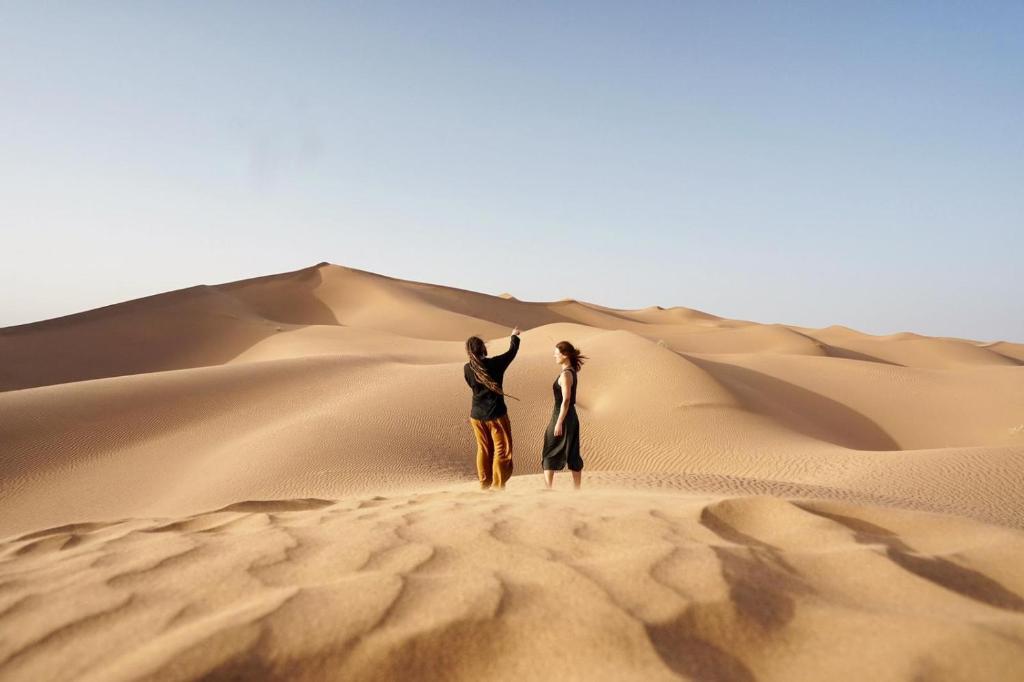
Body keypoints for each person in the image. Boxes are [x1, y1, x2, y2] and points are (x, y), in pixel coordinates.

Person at [464, 327, 521, 490]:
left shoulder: (467, 369)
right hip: (496, 415)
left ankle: (484, 483)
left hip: (476, 416)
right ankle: (497, 485)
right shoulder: (495, 364)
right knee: (500, 450)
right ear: (483, 349)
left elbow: (471, 385)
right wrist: (514, 337)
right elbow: (511, 353)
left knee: (483, 449)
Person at [542, 341, 586, 489]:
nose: (554, 355)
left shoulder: (567, 374)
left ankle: (549, 488)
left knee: (549, 448)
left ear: (565, 355)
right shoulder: (570, 371)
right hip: (569, 416)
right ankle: (576, 489)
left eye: (557, 352)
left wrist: (559, 421)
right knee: (571, 450)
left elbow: (566, 399)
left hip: (563, 416)